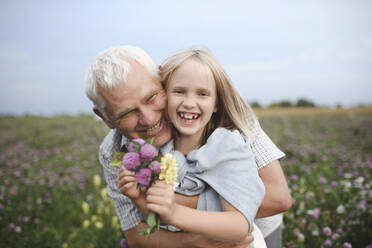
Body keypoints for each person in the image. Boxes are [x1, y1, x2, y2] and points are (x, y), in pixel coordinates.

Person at [84, 45, 292, 248]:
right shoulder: (118, 151)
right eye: (127, 112)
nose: (148, 119)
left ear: (161, 79)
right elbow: (137, 236)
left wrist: (172, 205)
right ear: (105, 118)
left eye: (151, 97)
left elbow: (278, 198)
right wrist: (202, 242)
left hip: (256, 232)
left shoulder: (229, 123)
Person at [120, 48, 267, 246]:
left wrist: (174, 212)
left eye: (203, 94)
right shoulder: (161, 151)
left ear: (216, 104)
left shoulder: (227, 146)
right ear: (164, 97)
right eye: (179, 91)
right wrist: (138, 198)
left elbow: (240, 225)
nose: (189, 103)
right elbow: (160, 219)